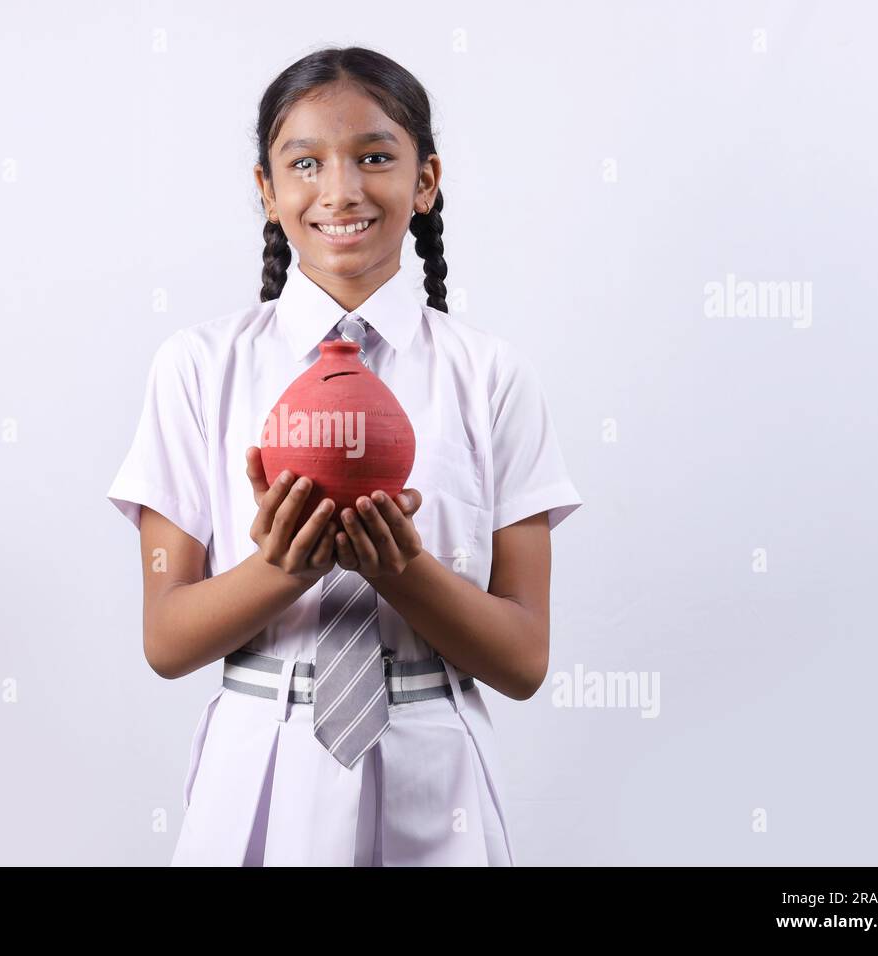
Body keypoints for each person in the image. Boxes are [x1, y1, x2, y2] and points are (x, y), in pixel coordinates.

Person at [107, 46, 582, 865]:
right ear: (266, 190)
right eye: (305, 163)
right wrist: (282, 569)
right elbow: (167, 637)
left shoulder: (491, 375)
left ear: (425, 180)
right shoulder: (197, 367)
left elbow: (524, 657)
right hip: (260, 763)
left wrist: (403, 570)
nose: (340, 190)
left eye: (374, 156)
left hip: (438, 775)